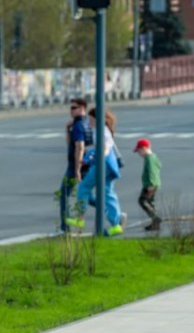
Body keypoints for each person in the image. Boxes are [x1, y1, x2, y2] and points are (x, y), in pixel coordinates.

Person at [74, 107, 124, 236]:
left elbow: (106, 147)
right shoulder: (100, 129)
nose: (89, 121)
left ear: (97, 119)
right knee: (107, 193)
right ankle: (116, 224)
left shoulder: (101, 131)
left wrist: (100, 155)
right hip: (109, 164)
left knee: (84, 187)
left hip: (103, 164)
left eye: (91, 118)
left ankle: (80, 219)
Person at [59, 98, 92, 234]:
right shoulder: (87, 122)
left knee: (63, 194)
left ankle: (64, 228)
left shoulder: (78, 125)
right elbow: (72, 143)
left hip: (75, 166)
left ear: (82, 108)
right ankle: (114, 213)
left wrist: (77, 168)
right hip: (87, 163)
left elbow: (79, 146)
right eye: (70, 108)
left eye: (74, 108)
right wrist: (67, 129)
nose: (71, 110)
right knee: (86, 194)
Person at [133, 138, 162, 232]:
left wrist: (151, 184)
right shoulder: (153, 156)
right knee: (150, 202)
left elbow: (151, 172)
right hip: (155, 183)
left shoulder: (149, 159)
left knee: (142, 201)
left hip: (150, 184)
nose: (139, 154)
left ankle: (155, 217)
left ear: (144, 148)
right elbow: (159, 165)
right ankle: (155, 224)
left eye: (139, 151)